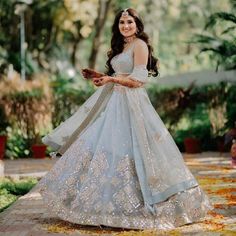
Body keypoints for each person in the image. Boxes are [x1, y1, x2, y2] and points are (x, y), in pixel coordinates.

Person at [36, 8, 212, 230]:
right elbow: (119, 76)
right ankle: (99, 205)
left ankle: (145, 204)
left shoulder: (140, 45)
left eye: (129, 21)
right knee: (102, 145)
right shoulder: (122, 47)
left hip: (133, 104)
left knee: (136, 149)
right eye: (121, 22)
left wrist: (110, 79)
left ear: (137, 25)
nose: (125, 25)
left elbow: (139, 79)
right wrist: (100, 76)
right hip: (114, 103)